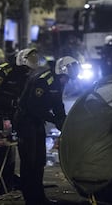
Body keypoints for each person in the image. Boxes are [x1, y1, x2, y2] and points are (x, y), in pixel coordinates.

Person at [16, 56, 79, 205]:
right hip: (26, 122)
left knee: (39, 161)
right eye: (66, 78)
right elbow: (33, 107)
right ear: (61, 72)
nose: (66, 82)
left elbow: (58, 105)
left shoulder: (57, 82)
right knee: (29, 161)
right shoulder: (44, 81)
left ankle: (39, 197)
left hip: (37, 122)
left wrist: (64, 123)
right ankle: (30, 198)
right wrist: (53, 119)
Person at [0, 48, 39, 194]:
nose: (27, 72)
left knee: (11, 153)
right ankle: (1, 188)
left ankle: (7, 185)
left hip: (12, 117)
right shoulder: (5, 71)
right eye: (26, 68)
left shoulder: (24, 74)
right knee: (3, 154)